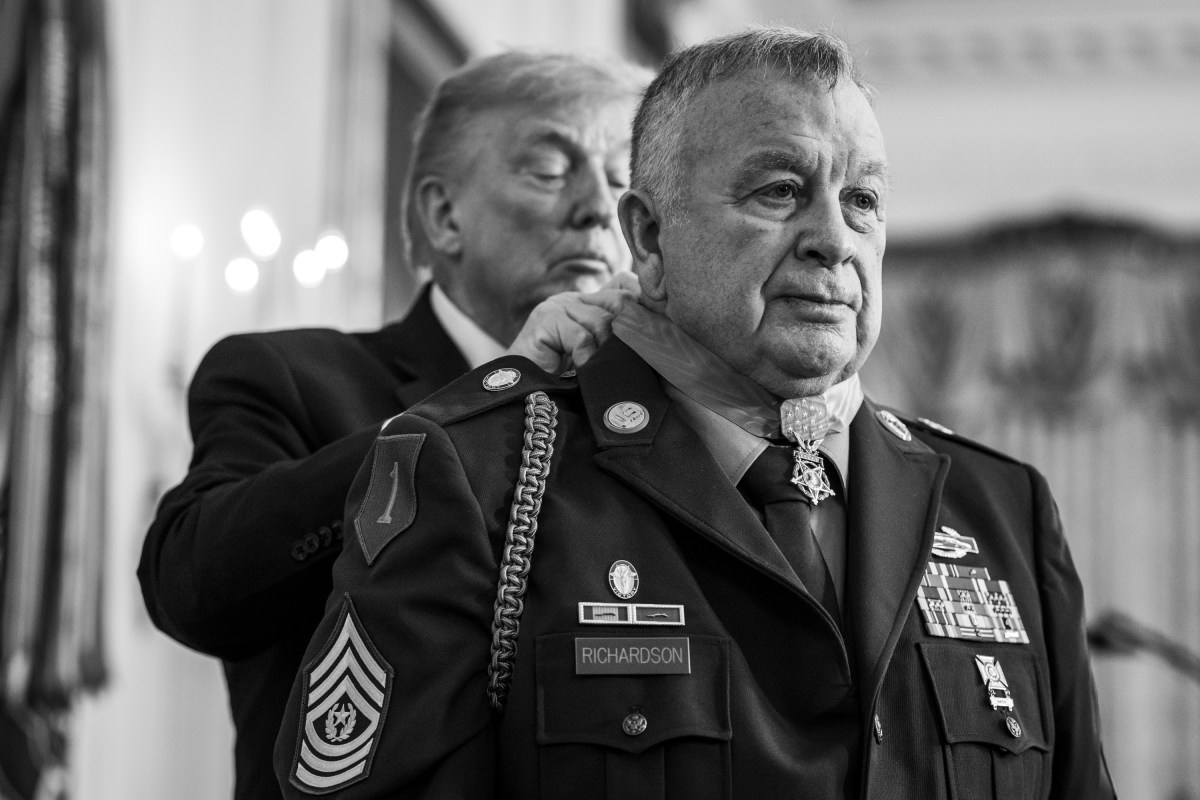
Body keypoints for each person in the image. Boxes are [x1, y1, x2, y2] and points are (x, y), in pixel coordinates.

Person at [274, 28, 1116, 799]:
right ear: (647, 237)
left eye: (862, 201)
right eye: (781, 190)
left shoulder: (1003, 507)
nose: (835, 238)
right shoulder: (482, 477)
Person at [138, 50, 647, 800]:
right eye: (549, 169)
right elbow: (191, 585)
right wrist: (486, 397)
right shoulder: (290, 377)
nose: (598, 208)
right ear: (445, 216)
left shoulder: (640, 417)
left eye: (619, 180)